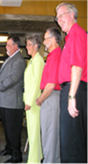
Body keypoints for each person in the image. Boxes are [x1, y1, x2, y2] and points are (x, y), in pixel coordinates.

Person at [55, 2, 87, 163]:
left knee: (72, 144)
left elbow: (77, 66)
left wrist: (71, 96)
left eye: (62, 15)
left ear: (72, 14)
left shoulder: (76, 33)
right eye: (57, 16)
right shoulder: (71, 36)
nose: (58, 19)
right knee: (71, 142)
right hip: (73, 89)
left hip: (74, 89)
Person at [0, 35, 26, 163]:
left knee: (13, 130)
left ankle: (17, 156)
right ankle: (9, 149)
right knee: (7, 128)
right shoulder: (10, 58)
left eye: (8, 45)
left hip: (13, 102)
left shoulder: (19, 60)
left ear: (15, 46)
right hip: (4, 101)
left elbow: (13, 78)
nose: (6, 47)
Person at [36, 27, 62, 163]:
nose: (44, 42)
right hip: (51, 98)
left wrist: (40, 99)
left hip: (50, 98)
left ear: (52, 40)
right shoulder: (53, 55)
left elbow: (51, 84)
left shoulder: (56, 56)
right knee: (51, 136)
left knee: (49, 136)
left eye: (45, 39)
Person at [23, 34, 44, 163]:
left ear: (36, 46)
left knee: (34, 133)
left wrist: (29, 102)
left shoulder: (38, 60)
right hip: (30, 101)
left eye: (29, 44)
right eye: (27, 44)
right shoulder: (32, 60)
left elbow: (37, 82)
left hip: (34, 102)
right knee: (32, 133)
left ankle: (33, 161)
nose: (27, 47)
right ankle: (38, 157)